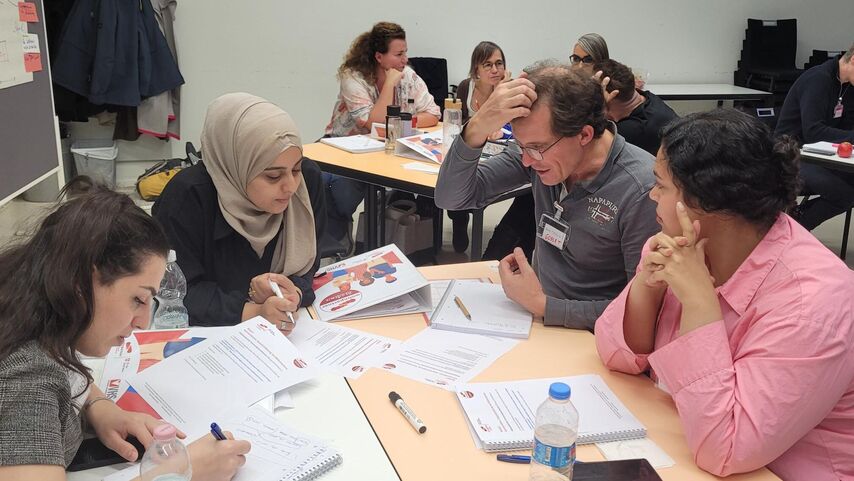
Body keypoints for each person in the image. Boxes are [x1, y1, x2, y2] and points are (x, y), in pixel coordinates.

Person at [595, 109, 854, 480]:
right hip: (681, 440)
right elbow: (615, 353)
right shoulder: (682, 245)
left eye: (662, 185)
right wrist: (646, 289)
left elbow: (725, 449)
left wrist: (700, 302)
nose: (652, 195)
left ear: (704, 204)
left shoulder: (811, 304)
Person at [0, 185, 250, 480]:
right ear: (82, 282)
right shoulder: (26, 375)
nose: (144, 322)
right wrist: (182, 473)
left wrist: (99, 407)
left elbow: (65, 372)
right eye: (138, 299)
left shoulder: (31, 308)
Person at [436, 60, 658, 331]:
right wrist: (477, 127)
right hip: (537, 321)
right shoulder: (540, 153)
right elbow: (451, 198)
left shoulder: (641, 189)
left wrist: (543, 305)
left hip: (592, 340)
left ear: (585, 134)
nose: (527, 161)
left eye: (537, 148)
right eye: (521, 147)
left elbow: (642, 314)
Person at [153, 93, 325, 331]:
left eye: (295, 170)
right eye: (273, 176)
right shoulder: (187, 197)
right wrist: (254, 312)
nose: (291, 187)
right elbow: (175, 291)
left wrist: (293, 291)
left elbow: (310, 260)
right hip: (212, 336)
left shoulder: (308, 182)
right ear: (236, 167)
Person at [323, 22, 441, 247]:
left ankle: (351, 237)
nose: (405, 59)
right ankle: (339, 235)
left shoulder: (408, 75)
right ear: (379, 56)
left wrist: (406, 120)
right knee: (338, 190)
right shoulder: (353, 77)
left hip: (385, 149)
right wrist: (389, 85)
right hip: (343, 146)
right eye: (398, 54)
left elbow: (434, 113)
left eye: (405, 52)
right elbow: (372, 123)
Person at [453, 41, 533, 257]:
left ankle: (468, 212)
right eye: (487, 65)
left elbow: (517, 125)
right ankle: (459, 220)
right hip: (474, 147)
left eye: (499, 63)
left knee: (482, 184)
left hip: (500, 150)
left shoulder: (510, 89)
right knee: (456, 179)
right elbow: (459, 124)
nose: (495, 70)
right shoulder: (465, 87)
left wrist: (502, 92)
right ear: (476, 69)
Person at [775, 43, 854, 230]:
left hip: (821, 156)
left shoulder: (847, 86)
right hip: (791, 156)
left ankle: (797, 219)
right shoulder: (818, 79)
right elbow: (813, 131)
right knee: (844, 194)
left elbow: (847, 126)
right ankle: (792, 229)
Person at [593, 58, 678, 155]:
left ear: (611, 97)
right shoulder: (647, 97)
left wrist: (597, 108)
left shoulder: (630, 131)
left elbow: (593, 148)